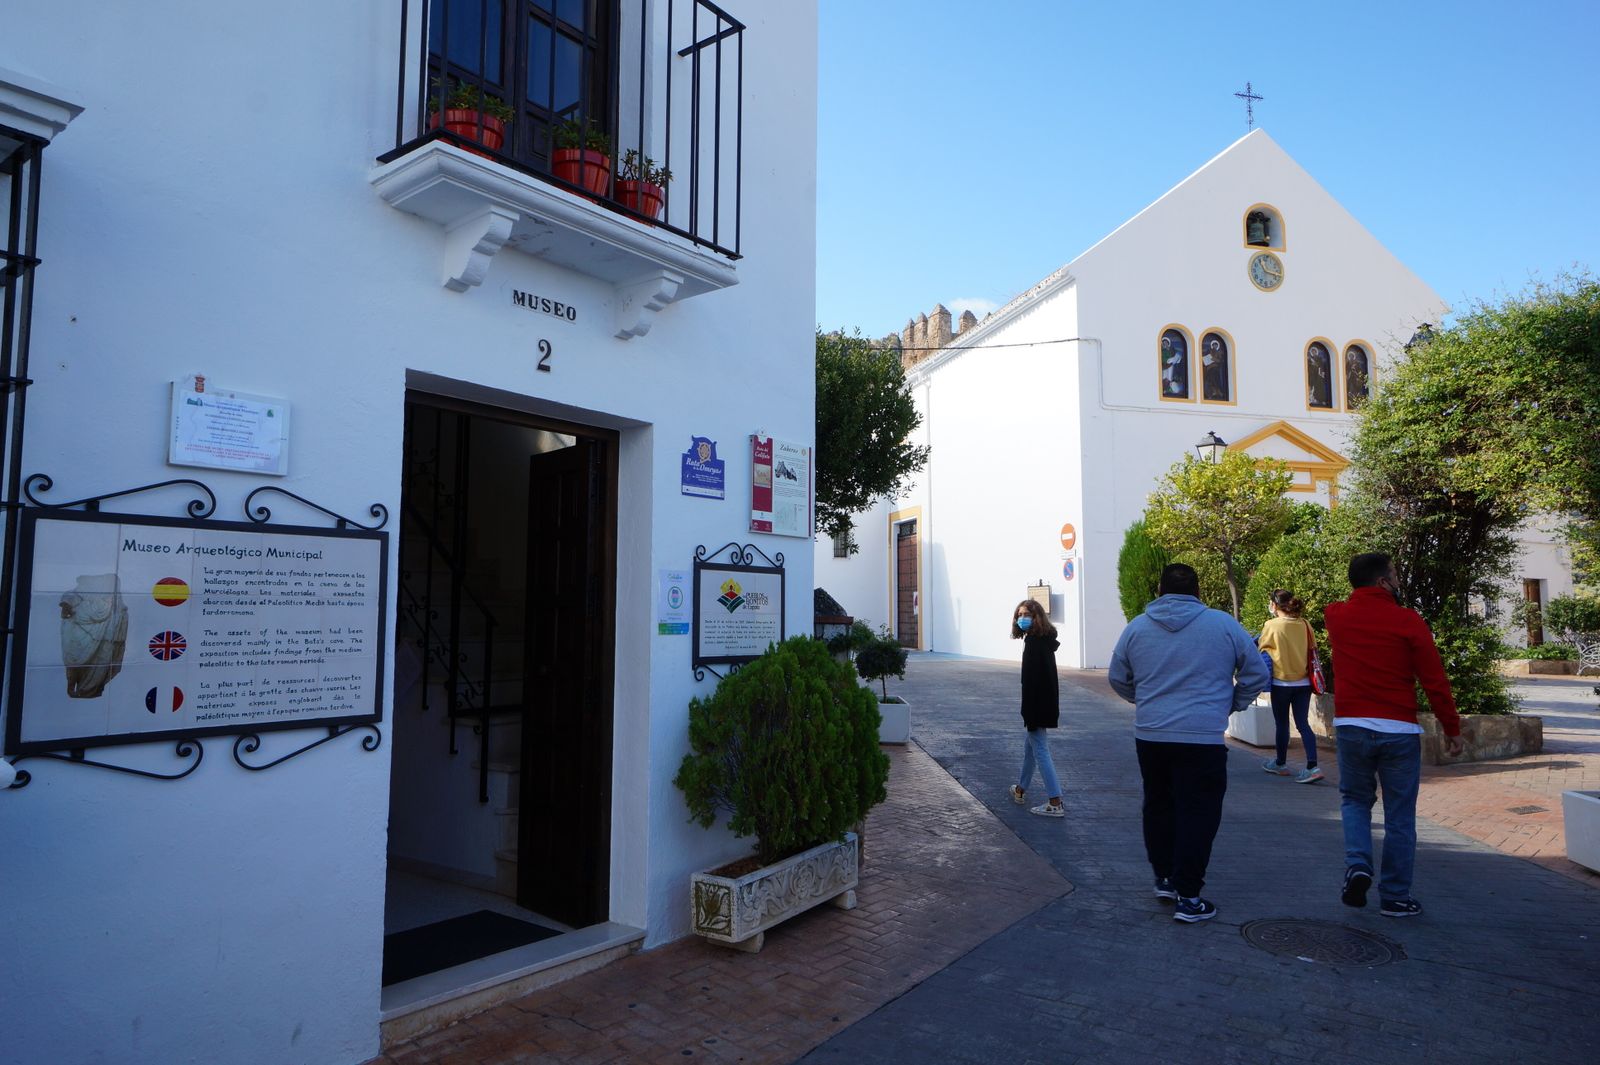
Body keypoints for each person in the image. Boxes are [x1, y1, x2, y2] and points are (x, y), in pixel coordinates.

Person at [1108, 564, 1270, 922]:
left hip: (1151, 735)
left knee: (1158, 805)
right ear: (1198, 592)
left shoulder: (1136, 628)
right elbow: (1256, 672)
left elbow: (1117, 677)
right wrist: (1231, 703)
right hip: (1203, 737)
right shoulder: (1223, 625)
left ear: (1160, 591)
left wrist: (1144, 701)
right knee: (1199, 812)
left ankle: (1165, 878)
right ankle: (1190, 897)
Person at [1324, 553, 1465, 918]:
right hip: (1399, 729)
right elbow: (1434, 679)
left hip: (1352, 726)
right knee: (1400, 815)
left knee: (1355, 801)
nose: (1400, 581)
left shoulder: (1336, 616)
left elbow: (1337, 611)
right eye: (1396, 575)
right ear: (1383, 582)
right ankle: (1396, 896)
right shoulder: (1408, 621)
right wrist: (1451, 728)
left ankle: (1358, 864)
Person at [1256, 589, 1323, 783]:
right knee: (1303, 724)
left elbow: (1262, 649)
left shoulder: (1271, 625)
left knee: (1282, 724)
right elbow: (1313, 648)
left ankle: (1280, 764)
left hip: (1281, 682)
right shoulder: (1305, 624)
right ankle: (1313, 767)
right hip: (1304, 682)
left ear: (1274, 605)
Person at [1008, 598, 1064, 818]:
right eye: (1019, 615)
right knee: (1030, 748)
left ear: (1037, 617)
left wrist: (1029, 714)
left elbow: (1032, 683)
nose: (1022, 619)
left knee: (1040, 750)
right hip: (1045, 705)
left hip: (1037, 708)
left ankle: (1055, 801)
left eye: (1026, 615)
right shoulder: (1042, 640)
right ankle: (1021, 789)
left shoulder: (1034, 644)